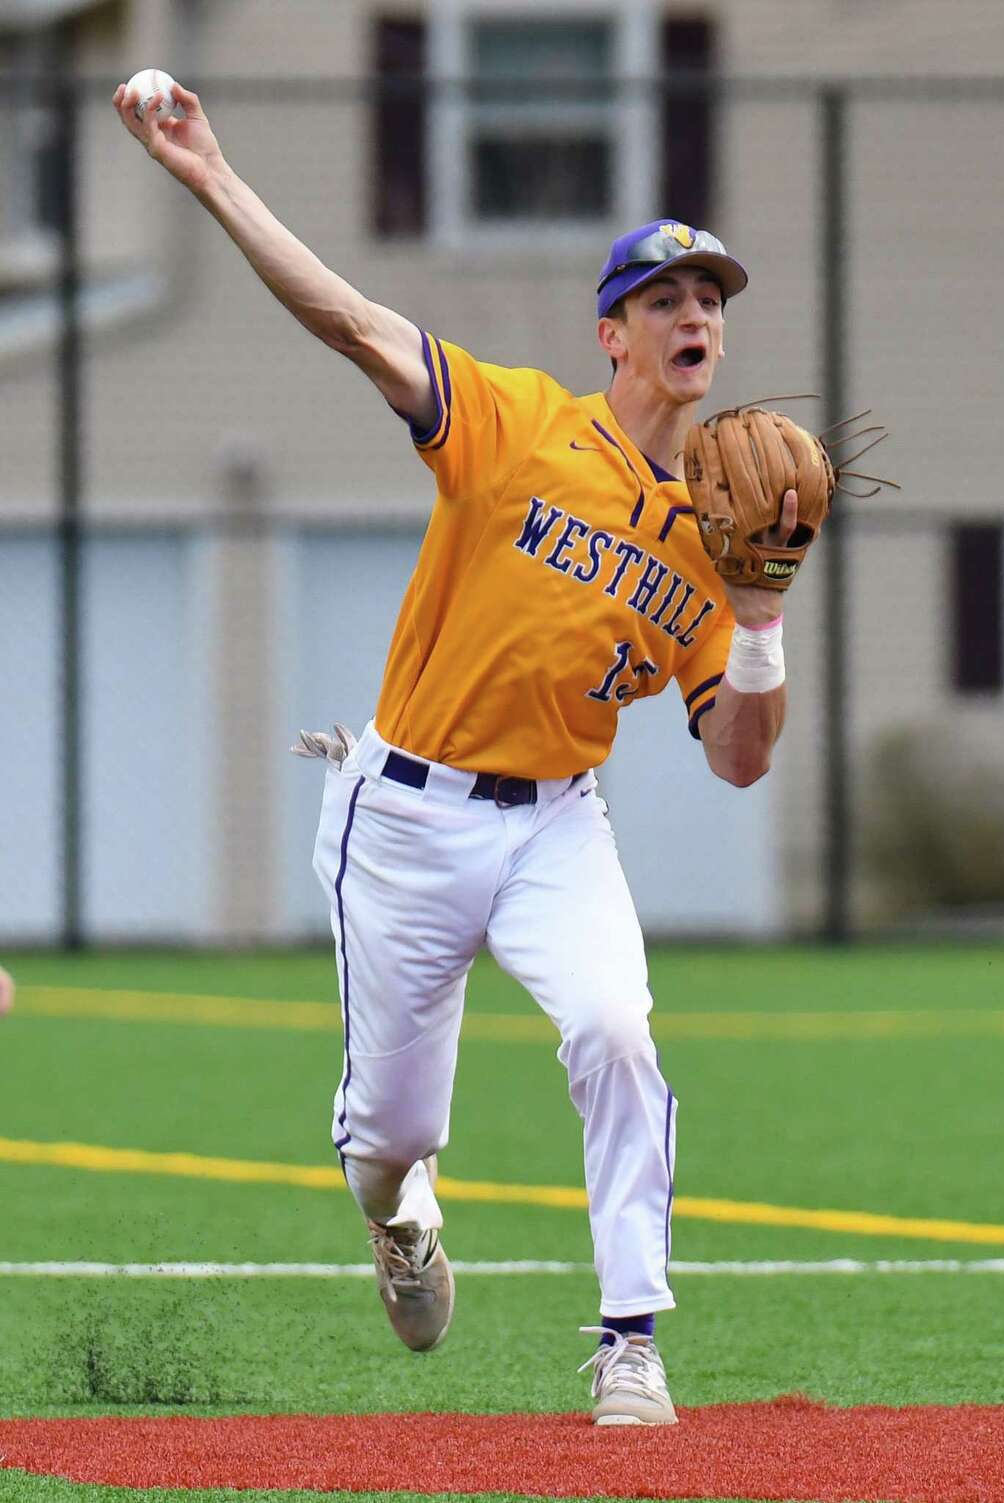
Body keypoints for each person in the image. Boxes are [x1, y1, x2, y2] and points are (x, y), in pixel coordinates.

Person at [114, 78, 798, 1427]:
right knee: (388, 1140)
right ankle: (401, 1217)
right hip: (406, 818)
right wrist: (210, 176)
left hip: (556, 823)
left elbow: (740, 758)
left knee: (616, 1030)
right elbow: (353, 321)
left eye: (711, 298)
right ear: (613, 333)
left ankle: (630, 1340)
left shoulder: (712, 542)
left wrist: (765, 621)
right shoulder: (521, 422)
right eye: (666, 298)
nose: (696, 316)